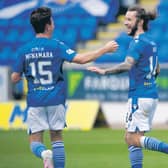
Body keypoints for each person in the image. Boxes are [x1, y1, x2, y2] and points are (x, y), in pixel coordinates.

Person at [11, 6, 118, 168]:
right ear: (48, 26)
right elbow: (81, 59)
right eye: (52, 22)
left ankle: (43, 153)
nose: (53, 25)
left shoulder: (23, 50)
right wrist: (104, 49)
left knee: (35, 142)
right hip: (55, 99)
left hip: (35, 101)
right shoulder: (56, 46)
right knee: (57, 137)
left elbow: (14, 78)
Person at [87, 5, 168, 168]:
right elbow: (157, 69)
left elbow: (127, 65)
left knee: (131, 139)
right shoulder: (151, 42)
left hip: (139, 96)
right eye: (124, 19)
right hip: (150, 94)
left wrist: (105, 72)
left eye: (129, 19)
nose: (125, 23)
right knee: (133, 139)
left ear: (139, 22)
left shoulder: (136, 43)